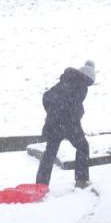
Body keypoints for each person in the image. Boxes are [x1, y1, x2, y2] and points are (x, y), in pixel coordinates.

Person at [35, 60, 96, 188]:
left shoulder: (65, 81)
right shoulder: (81, 85)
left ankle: (41, 184)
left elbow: (47, 96)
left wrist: (52, 112)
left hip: (54, 121)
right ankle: (82, 180)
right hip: (69, 123)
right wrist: (79, 112)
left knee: (50, 152)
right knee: (83, 146)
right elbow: (73, 105)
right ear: (89, 78)